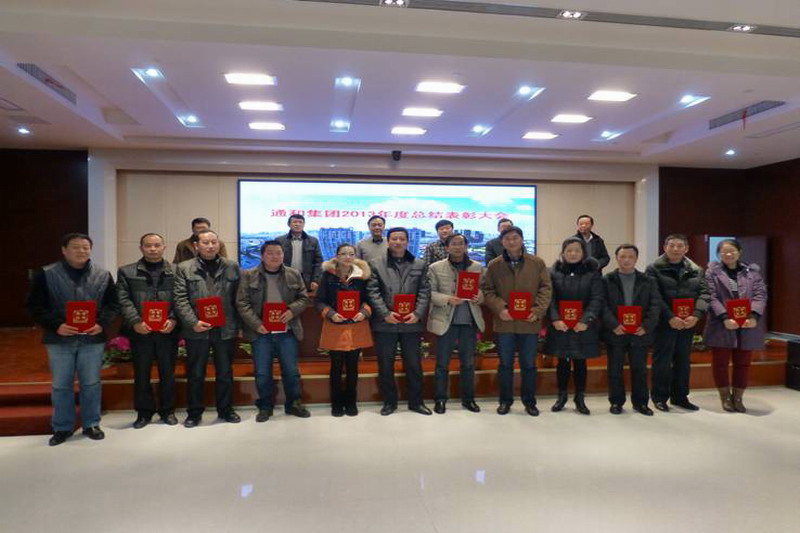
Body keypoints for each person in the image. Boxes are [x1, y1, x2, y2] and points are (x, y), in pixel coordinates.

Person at [26, 233, 118, 446]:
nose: (81, 251)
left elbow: (113, 305)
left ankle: (91, 424)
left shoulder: (103, 275)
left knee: (91, 383)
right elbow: (34, 306)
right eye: (76, 247)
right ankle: (62, 427)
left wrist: (101, 324)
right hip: (59, 338)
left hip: (92, 338)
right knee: (61, 385)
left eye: (86, 247)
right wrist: (56, 325)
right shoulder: (46, 274)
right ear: (64, 250)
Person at [236, 240, 311, 421]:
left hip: (287, 331)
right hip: (261, 332)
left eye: (278, 253)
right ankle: (265, 406)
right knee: (262, 372)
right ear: (262, 255)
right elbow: (242, 303)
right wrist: (256, 324)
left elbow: (304, 298)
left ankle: (293, 403)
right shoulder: (248, 275)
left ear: (283, 255)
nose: (275, 256)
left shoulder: (293, 274)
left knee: (291, 371)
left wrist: (291, 311)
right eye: (270, 253)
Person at [173, 229, 241, 427]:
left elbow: (239, 298)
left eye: (214, 242)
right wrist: (193, 322)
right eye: (205, 242)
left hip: (225, 328)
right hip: (197, 329)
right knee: (195, 374)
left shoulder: (232, 266)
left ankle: (226, 410)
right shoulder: (184, 268)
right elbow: (180, 299)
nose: (210, 246)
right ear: (196, 246)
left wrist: (238, 325)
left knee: (225, 373)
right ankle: (194, 413)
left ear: (219, 244)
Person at [483, 226, 552, 416]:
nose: (511, 242)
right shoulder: (494, 265)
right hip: (505, 322)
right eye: (507, 239)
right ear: (502, 242)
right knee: (505, 364)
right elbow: (487, 290)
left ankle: (529, 402)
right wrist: (500, 308)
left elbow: (546, 288)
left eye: (515, 238)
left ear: (521, 240)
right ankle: (505, 401)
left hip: (529, 322)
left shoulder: (537, 263)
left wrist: (538, 310)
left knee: (529, 364)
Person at [366, 227, 432, 415]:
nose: (398, 242)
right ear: (388, 241)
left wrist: (417, 314)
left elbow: (424, 291)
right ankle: (389, 402)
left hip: (411, 322)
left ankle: (416, 402)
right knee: (385, 364)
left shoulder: (419, 264)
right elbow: (372, 291)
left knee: (414, 364)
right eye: (394, 238)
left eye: (402, 239)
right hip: (385, 323)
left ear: (407, 241)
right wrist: (385, 313)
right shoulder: (375, 264)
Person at [116, 233, 179, 428]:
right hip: (140, 331)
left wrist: (173, 319)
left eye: (157, 245)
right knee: (142, 373)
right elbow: (123, 299)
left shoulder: (176, 271)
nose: (153, 249)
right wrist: (135, 321)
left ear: (164, 247)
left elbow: (181, 297)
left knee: (168, 373)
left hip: (167, 331)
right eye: (148, 245)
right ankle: (144, 413)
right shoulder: (127, 271)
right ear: (141, 248)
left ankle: (168, 411)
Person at [646, 233, 710, 412]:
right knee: (662, 360)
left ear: (686, 249)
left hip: (688, 323)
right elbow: (653, 295)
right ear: (664, 247)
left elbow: (705, 293)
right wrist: (670, 317)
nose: (675, 249)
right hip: (664, 323)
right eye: (672, 245)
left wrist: (696, 315)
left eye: (680, 246)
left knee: (683, 360)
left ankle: (680, 397)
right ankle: (659, 397)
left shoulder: (696, 270)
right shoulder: (653, 268)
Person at [703, 239, 767, 413]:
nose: (728, 254)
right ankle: (725, 397)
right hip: (721, 323)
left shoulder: (752, 273)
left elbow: (760, 295)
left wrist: (754, 316)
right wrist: (724, 317)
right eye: (724, 252)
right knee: (720, 363)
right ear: (719, 254)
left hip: (747, 323)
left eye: (732, 251)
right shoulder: (712, 273)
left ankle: (738, 397)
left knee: (743, 363)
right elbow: (711, 296)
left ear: (739, 252)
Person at [544, 237, 604, 415]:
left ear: (583, 253)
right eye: (569, 250)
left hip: (582, 326)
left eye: (577, 250)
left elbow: (597, 298)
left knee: (580, 361)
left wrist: (586, 320)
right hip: (560, 325)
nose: (573, 254)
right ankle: (561, 396)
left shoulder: (593, 273)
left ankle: (580, 398)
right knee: (562, 361)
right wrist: (555, 319)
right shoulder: (553, 272)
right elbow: (549, 298)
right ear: (563, 253)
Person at [427, 234, 485, 414]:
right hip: (446, 321)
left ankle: (468, 399)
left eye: (461, 244)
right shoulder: (435, 267)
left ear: (466, 246)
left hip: (469, 322)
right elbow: (429, 292)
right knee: (442, 364)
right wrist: (447, 299)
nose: (457, 247)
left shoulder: (477, 267)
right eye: (453, 244)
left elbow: (485, 291)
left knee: (468, 363)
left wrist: (479, 296)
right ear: (447, 247)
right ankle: (440, 399)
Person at [602, 244, 661, 416]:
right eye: (622, 256)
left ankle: (641, 403)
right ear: (617, 258)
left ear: (636, 259)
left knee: (640, 369)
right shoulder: (607, 280)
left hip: (639, 332)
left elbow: (655, 305)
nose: (626, 260)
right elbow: (602, 305)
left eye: (630, 257)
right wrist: (613, 324)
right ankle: (616, 402)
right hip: (616, 331)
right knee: (615, 370)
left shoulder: (648, 280)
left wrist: (646, 326)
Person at [316, 243, 373, 417]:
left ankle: (351, 402)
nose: (348, 257)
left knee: (352, 367)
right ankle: (336, 403)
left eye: (351, 254)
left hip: (356, 325)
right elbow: (319, 301)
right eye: (344, 254)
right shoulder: (327, 275)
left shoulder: (362, 276)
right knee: (336, 367)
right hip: (335, 326)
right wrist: (331, 314)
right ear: (337, 256)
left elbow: (369, 299)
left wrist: (364, 312)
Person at [276, 213, 323, 292]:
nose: (297, 224)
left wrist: (315, 280)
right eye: (294, 222)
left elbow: (318, 262)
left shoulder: (313, 241)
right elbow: (275, 261)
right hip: (285, 277)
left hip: (306, 279)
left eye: (300, 222)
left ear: (304, 224)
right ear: (289, 224)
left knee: (305, 299)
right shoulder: (280, 241)